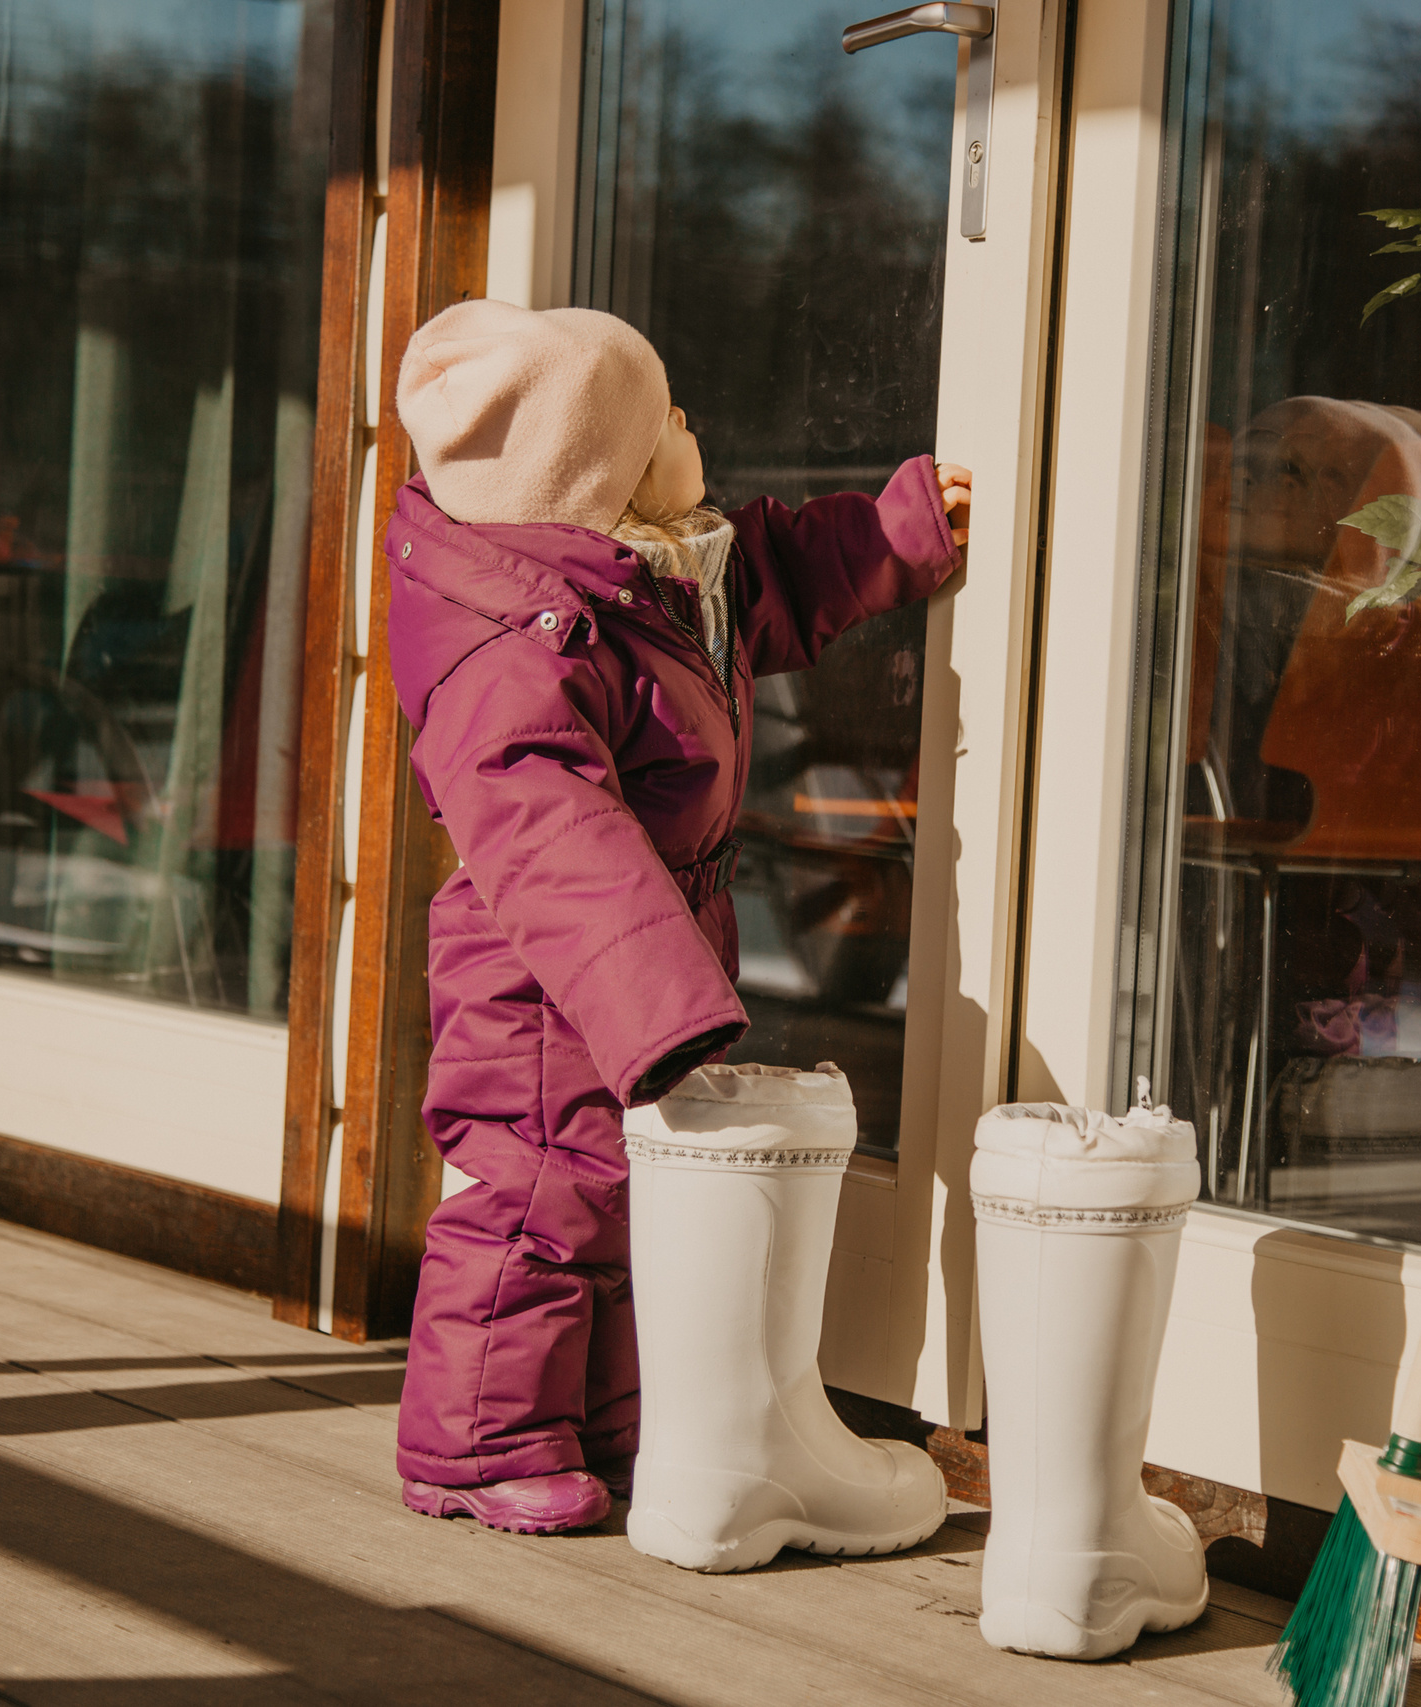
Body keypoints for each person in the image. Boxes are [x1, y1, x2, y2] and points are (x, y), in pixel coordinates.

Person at [382, 299, 972, 1534]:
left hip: (639, 941)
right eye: (667, 425)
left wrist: (901, 531)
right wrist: (658, 1001)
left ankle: (603, 1419)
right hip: (540, 968)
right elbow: (550, 838)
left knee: (618, 1192)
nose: (692, 431)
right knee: (539, 1196)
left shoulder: (655, 572)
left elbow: (775, 575)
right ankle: (477, 1445)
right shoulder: (515, 646)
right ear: (597, 476)